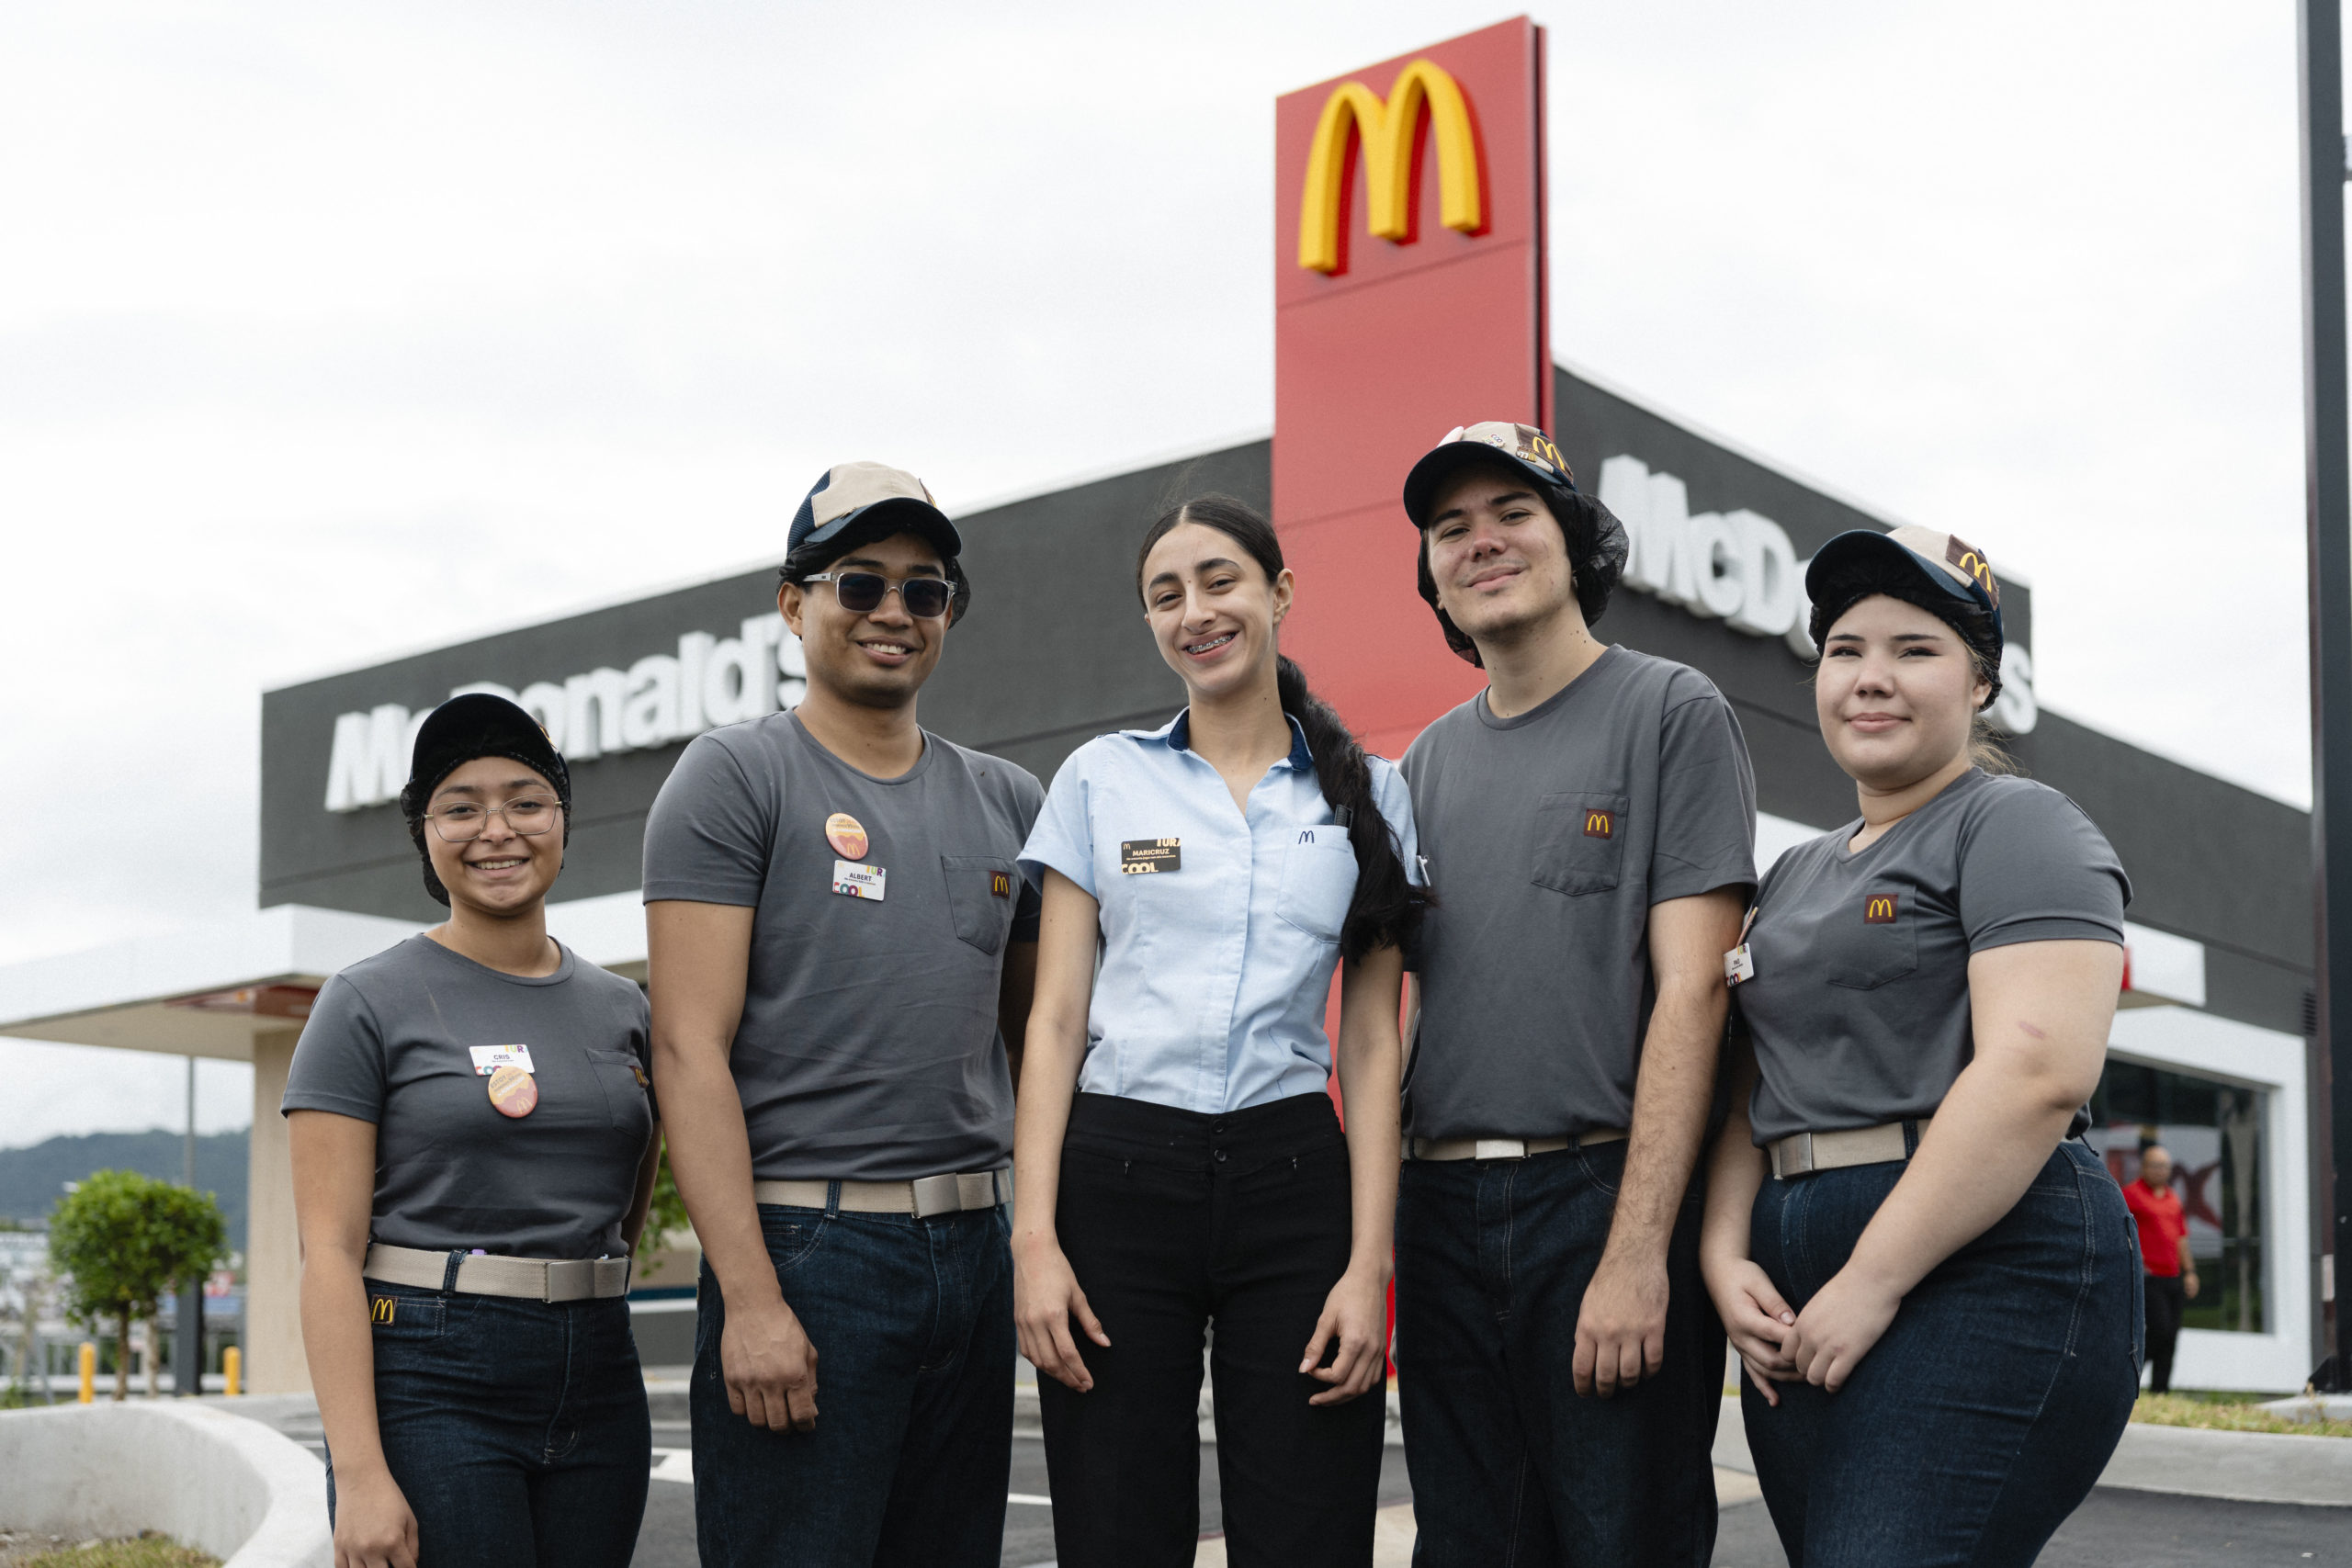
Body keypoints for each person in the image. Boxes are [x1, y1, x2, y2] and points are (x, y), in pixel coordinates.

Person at [1699, 525, 2141, 1566]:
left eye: (1914, 650)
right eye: (1845, 650)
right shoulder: (1792, 875)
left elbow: (2037, 1073)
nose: (1871, 677)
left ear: (1981, 683)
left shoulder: (2019, 824)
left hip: (1988, 1266)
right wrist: (1723, 1253)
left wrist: (1871, 1278)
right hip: (1797, 1283)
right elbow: (1749, 1088)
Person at [642, 461, 1043, 1568]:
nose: (893, 612)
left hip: (974, 1251)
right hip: (810, 1256)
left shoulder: (1012, 802)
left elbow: (1042, 1046)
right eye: (858, 583)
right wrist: (751, 1300)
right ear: (793, 604)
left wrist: (1037, 1243)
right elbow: (685, 1049)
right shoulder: (732, 778)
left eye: (924, 589)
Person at [1012, 496, 1424, 1567]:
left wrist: (1366, 1266)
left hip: (1294, 1183)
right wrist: (1034, 1241)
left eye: (1219, 580)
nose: (1195, 611)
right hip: (1116, 1176)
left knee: (1308, 1530)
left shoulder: (1372, 794)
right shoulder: (1101, 779)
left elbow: (1371, 1043)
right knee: (1116, 1529)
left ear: (1279, 594)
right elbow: (1053, 1021)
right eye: (1166, 594)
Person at [1392, 423, 1757, 1566]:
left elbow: (1696, 992)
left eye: (1513, 514)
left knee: (1621, 1540)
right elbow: (1404, 1008)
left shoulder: (1670, 710)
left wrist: (1639, 1252)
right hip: (1438, 1208)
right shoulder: (1422, 765)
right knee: (1467, 1547)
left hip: (1597, 1198)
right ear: (1432, 578)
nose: (1481, 542)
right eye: (1450, 529)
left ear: (1575, 542)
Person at [285, 693, 661, 1568]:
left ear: (562, 818)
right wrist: (360, 1473)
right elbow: (328, 1253)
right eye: (461, 807)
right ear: (425, 833)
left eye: (526, 801)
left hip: (601, 1371)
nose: (497, 829)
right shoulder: (364, 1001)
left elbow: (626, 1197)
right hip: (431, 1375)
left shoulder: (624, 1008)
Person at [2123, 1144, 2198, 1393]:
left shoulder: (2172, 1198)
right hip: (2149, 1277)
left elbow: (2181, 1238)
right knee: (2160, 1329)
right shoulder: (2130, 1194)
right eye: (2155, 1165)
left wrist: (2190, 1272)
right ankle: (2125, 1372)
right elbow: (2120, 1230)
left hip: (2173, 1276)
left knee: (2171, 1336)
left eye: (2164, 1166)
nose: (2160, 1170)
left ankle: (2160, 1391)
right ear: (2143, 1167)